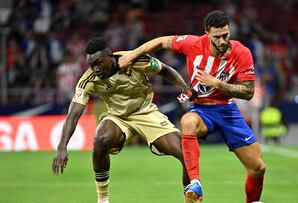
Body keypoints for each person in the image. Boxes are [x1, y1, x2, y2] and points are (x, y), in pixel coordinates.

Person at [119, 10, 266, 203]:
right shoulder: (193, 44)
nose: (222, 41)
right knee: (187, 121)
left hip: (227, 110)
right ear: (207, 33)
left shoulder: (242, 52)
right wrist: (132, 55)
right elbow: (162, 41)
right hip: (202, 109)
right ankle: (195, 182)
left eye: (226, 35)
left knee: (258, 168)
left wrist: (218, 84)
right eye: (217, 37)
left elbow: (248, 92)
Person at [51, 37, 195, 203]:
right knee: (100, 139)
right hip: (117, 117)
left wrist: (185, 87)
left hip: (146, 113)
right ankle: (102, 199)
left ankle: (189, 200)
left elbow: (165, 70)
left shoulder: (136, 59)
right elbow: (73, 114)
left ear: (110, 55)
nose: (95, 69)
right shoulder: (88, 80)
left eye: (98, 63)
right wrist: (62, 146)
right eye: (91, 65)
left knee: (186, 153)